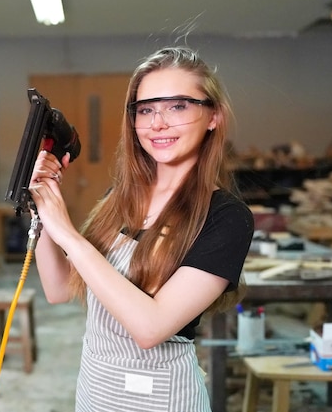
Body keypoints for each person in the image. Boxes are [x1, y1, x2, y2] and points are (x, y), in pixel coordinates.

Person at [28, 46, 254, 412]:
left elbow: (151, 328)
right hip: (96, 388)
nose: (158, 123)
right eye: (145, 109)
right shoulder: (120, 198)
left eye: (178, 106)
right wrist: (42, 208)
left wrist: (66, 230)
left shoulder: (227, 217)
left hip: (161, 397)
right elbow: (57, 288)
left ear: (214, 116)